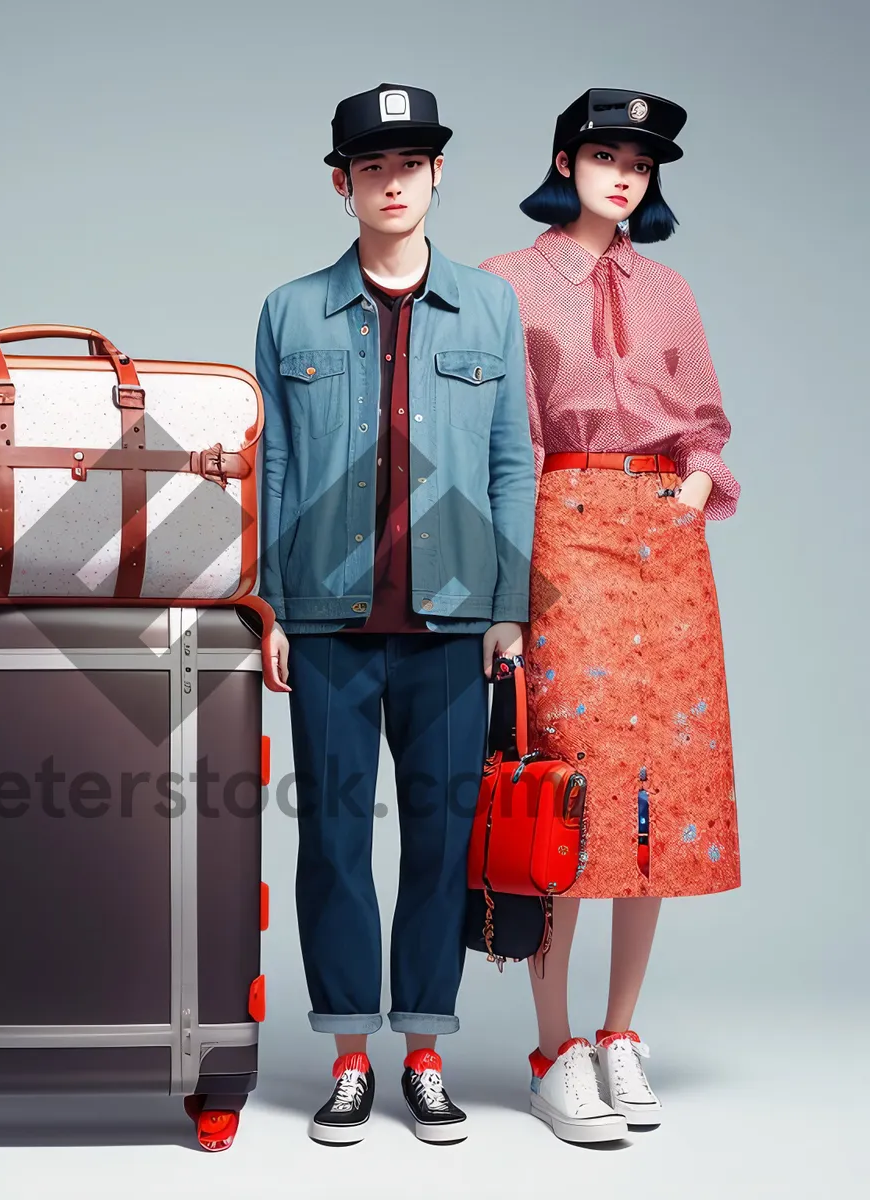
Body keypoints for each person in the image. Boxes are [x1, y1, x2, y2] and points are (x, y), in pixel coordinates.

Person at [254, 82, 535, 1145]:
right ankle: (347, 1059)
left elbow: (515, 460)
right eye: (372, 167)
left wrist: (509, 606)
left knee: (439, 836)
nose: (393, 183)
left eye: (410, 166)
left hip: (458, 624)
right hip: (325, 623)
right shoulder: (290, 310)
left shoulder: (491, 309)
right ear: (344, 183)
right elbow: (272, 467)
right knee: (331, 838)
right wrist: (269, 608)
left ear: (435, 178)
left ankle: (424, 1050)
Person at [479, 88, 741, 1144]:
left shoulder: (670, 290)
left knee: (658, 789)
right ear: (565, 160)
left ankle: (622, 1033)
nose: (624, 174)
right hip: (563, 530)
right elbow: (507, 444)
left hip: (665, 545)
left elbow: (708, 425)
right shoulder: (507, 283)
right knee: (570, 788)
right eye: (604, 153)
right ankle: (554, 1047)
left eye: (641, 160)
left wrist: (697, 481)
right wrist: (510, 588)